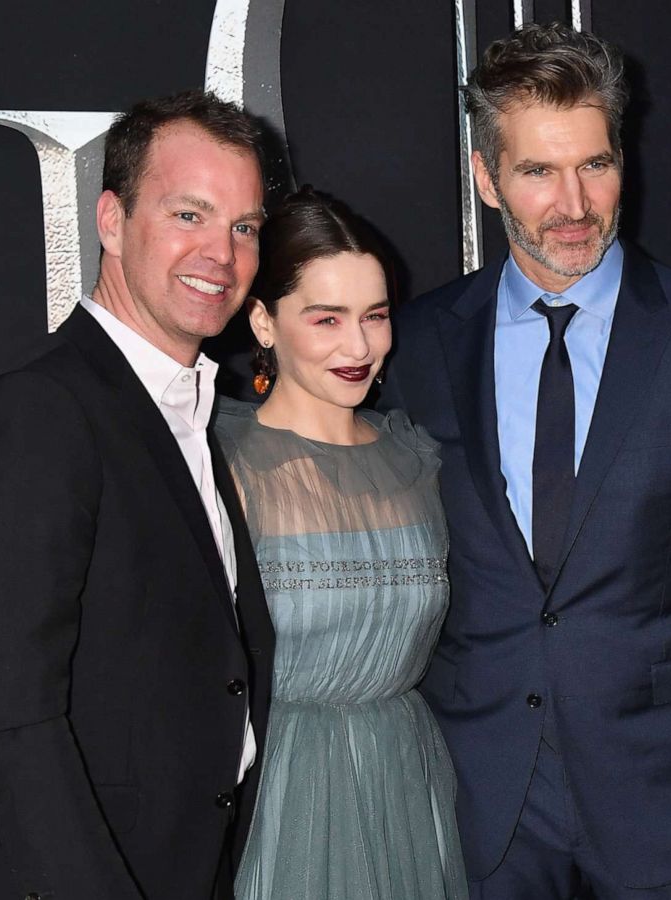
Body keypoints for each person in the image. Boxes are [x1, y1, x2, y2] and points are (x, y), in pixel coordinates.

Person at [381, 22, 671, 900]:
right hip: (477, 793)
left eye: (595, 165)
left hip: (669, 801)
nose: (574, 204)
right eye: (537, 171)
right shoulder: (416, 345)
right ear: (487, 176)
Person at [0, 90, 275, 899]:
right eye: (189, 215)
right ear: (113, 221)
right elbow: (12, 718)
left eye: (244, 226)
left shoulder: (200, 410)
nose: (221, 254)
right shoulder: (39, 412)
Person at [217, 187, 468, 899]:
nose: (358, 347)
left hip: (407, 784)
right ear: (264, 321)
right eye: (326, 319)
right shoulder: (220, 465)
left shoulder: (417, 458)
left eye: (375, 317)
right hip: (275, 794)